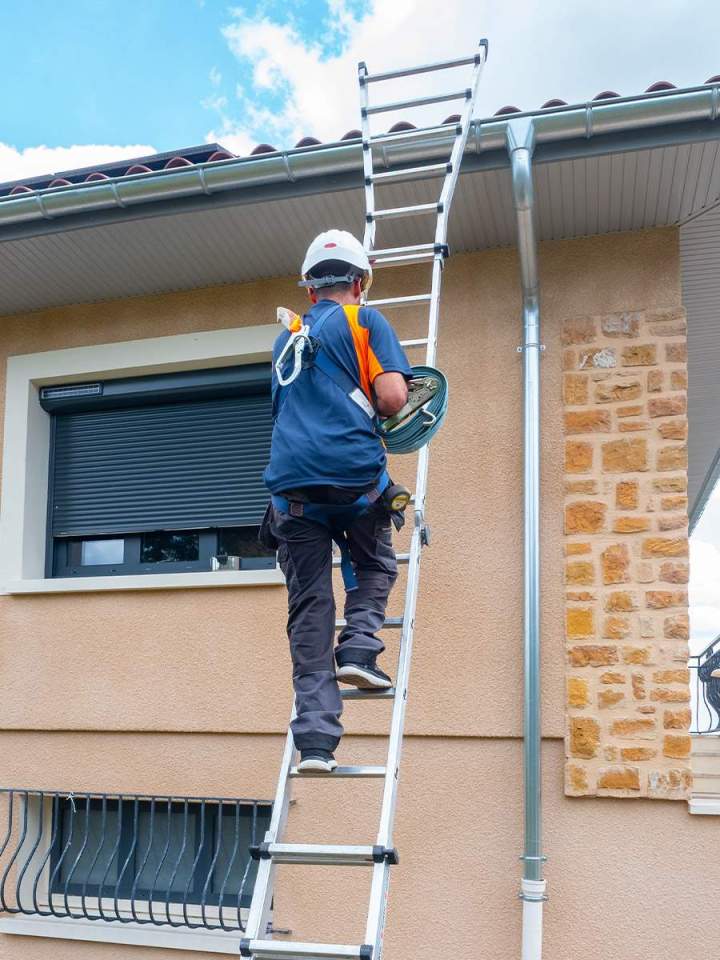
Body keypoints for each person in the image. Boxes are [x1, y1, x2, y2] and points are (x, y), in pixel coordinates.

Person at [261, 229, 413, 773]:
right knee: (375, 564)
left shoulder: (287, 341)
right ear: (359, 283)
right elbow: (394, 396)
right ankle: (359, 648)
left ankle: (317, 743)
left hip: (291, 494)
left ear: (309, 291)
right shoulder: (366, 320)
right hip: (353, 481)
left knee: (309, 610)